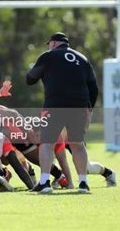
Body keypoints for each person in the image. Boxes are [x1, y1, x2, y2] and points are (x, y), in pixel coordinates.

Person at [26, 32, 98, 193]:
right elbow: (93, 87)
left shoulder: (47, 56)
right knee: (77, 144)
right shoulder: (82, 58)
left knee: (47, 143)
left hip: (55, 105)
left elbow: (30, 79)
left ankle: (44, 182)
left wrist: (38, 69)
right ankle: (83, 184)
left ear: (53, 43)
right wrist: (89, 109)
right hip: (79, 106)